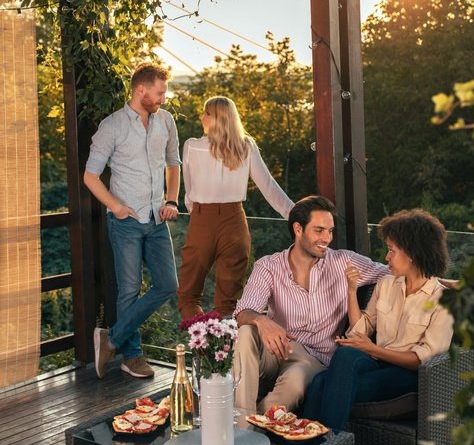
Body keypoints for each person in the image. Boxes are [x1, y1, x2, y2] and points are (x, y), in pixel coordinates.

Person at [234, 195, 389, 414]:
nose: (327, 238)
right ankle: (240, 425)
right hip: (276, 348)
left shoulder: (344, 261)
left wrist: (443, 283)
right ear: (298, 229)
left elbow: (395, 271)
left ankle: (253, 430)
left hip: (314, 358)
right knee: (247, 331)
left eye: (330, 231)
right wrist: (261, 320)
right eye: (319, 230)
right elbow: (242, 312)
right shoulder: (269, 266)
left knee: (294, 384)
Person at [302, 208, 454, 431]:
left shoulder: (443, 300)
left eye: (392, 251)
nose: (386, 257)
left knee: (321, 383)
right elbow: (360, 330)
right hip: (377, 363)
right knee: (344, 355)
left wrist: (371, 349)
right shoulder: (387, 284)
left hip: (410, 376)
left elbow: (422, 360)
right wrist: (351, 291)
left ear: (412, 254)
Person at [84, 63, 181, 380]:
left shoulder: (165, 121)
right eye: (160, 92)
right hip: (125, 221)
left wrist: (171, 200)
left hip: (156, 219)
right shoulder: (112, 127)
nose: (163, 98)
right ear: (141, 90)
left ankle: (110, 340)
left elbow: (173, 164)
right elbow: (91, 176)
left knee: (168, 284)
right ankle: (133, 356)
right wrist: (117, 207)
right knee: (127, 291)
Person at [178, 96, 293, 318]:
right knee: (229, 302)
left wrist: (199, 215)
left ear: (215, 118)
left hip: (202, 219)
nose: (201, 117)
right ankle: (223, 349)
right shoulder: (246, 146)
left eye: (205, 113)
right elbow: (268, 186)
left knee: (188, 296)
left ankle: (205, 346)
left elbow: (189, 194)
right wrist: (294, 213)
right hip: (235, 222)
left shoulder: (191, 146)